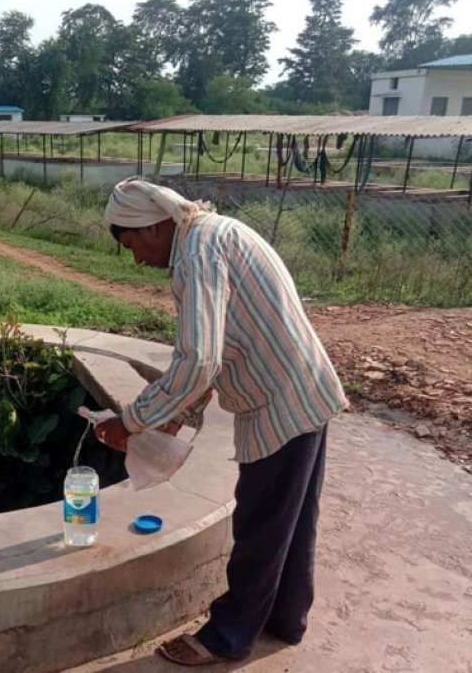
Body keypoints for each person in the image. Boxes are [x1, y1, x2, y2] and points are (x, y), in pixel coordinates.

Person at [94, 177, 347, 667]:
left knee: (259, 525)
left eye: (131, 246)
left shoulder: (196, 254)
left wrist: (132, 420)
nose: (137, 261)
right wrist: (176, 417)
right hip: (303, 390)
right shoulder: (215, 234)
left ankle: (228, 638)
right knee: (290, 521)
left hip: (280, 402)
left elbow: (198, 360)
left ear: (150, 227)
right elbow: (219, 345)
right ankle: (287, 620)